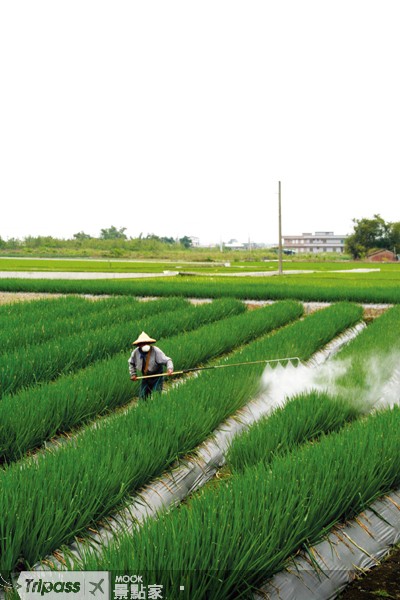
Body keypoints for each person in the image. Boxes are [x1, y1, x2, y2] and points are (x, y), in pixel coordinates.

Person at [128, 331, 174, 399]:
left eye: (146, 343)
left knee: (156, 396)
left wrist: (169, 369)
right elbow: (131, 363)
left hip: (157, 376)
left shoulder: (155, 350)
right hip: (145, 376)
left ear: (149, 343)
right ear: (139, 345)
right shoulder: (135, 352)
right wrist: (133, 374)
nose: (145, 345)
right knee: (143, 397)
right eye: (142, 343)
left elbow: (167, 360)